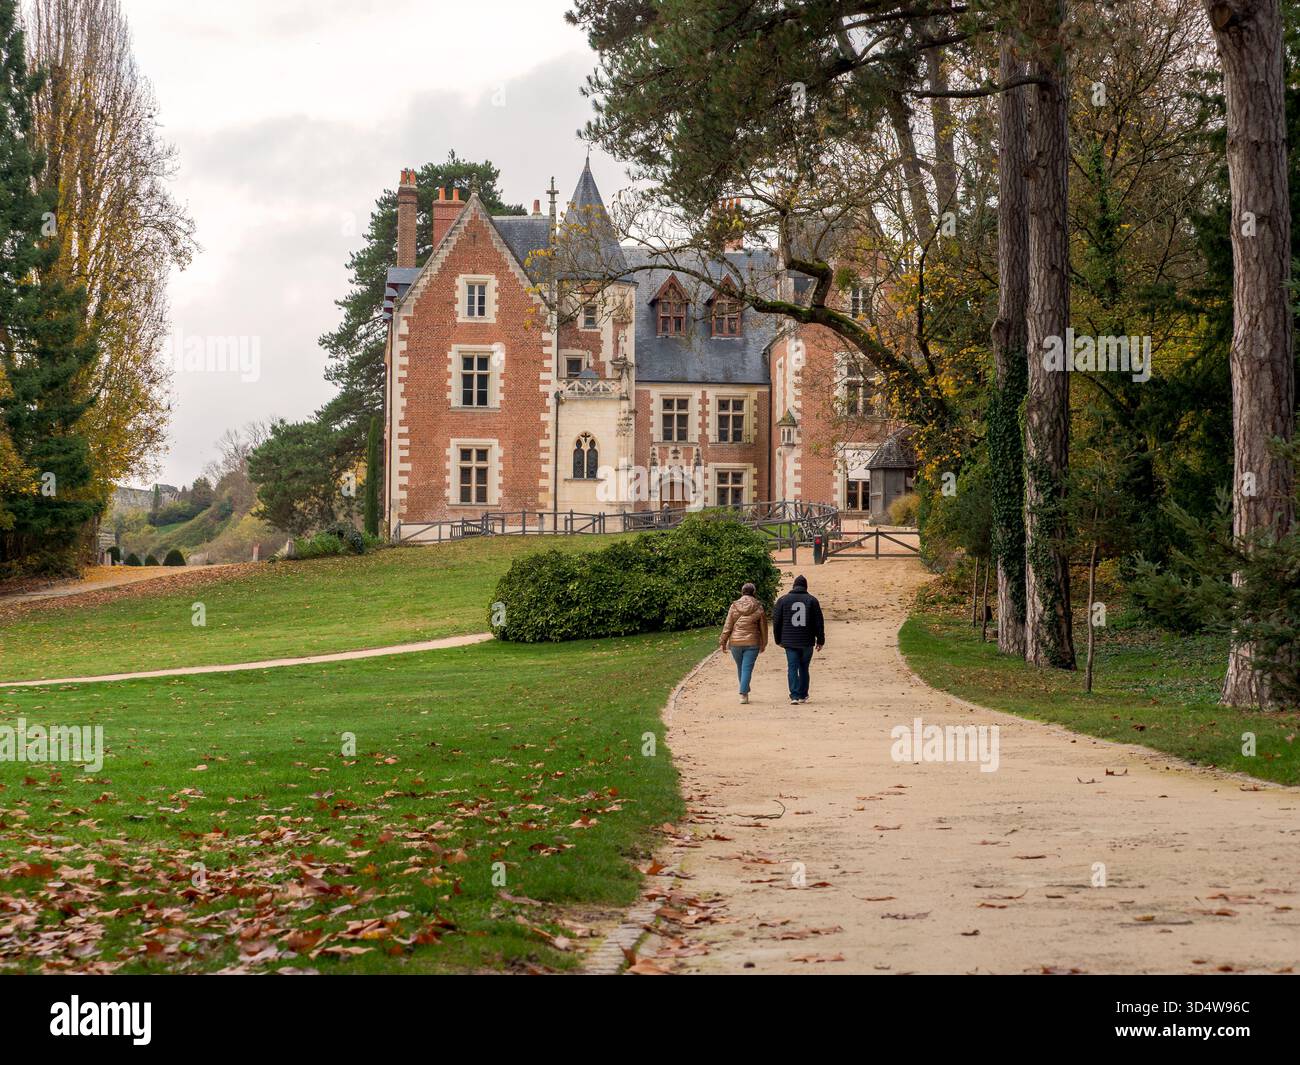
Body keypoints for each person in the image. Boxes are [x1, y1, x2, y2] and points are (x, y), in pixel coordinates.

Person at [772, 574, 825, 705]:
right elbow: (819, 622)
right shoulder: (812, 600)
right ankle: (803, 694)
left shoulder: (783, 600)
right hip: (807, 640)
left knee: (792, 667)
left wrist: (778, 639)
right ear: (805, 586)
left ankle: (794, 695)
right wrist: (820, 640)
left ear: (794, 586)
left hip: (789, 641)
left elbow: (777, 621)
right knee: (804, 667)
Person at [719, 582, 768, 704]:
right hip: (752, 642)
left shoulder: (734, 606)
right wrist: (764, 643)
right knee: (746, 668)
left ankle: (744, 691)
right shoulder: (758, 606)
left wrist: (723, 641)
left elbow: (728, 625)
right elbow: (763, 627)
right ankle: (743, 693)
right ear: (754, 593)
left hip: (735, 642)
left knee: (741, 667)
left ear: (742, 592)